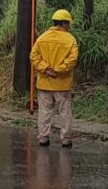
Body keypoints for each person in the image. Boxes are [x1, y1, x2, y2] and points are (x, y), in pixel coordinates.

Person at [30, 9, 79, 148]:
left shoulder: (42, 38)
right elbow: (72, 59)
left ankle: (43, 137)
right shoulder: (70, 40)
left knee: (44, 112)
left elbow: (34, 57)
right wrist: (58, 70)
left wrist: (46, 69)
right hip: (62, 84)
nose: (69, 25)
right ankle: (66, 139)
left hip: (44, 82)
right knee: (64, 112)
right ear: (63, 23)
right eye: (68, 23)